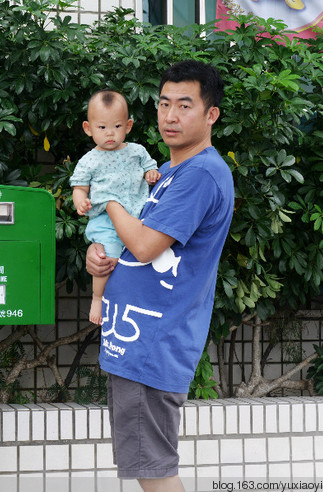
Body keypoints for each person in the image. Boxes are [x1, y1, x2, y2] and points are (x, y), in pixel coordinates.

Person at [86, 61, 234, 492]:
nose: (170, 116)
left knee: (155, 473)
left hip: (153, 346)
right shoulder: (168, 174)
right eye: (164, 104)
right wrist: (101, 260)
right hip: (135, 343)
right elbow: (134, 249)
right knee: (147, 468)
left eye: (184, 105)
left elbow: (147, 246)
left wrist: (108, 197)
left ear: (211, 115)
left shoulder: (201, 173)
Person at [70, 90, 161, 325]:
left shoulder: (138, 152)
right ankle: (98, 298)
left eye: (117, 126)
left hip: (138, 214)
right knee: (105, 256)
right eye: (102, 128)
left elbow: (152, 169)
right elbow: (79, 188)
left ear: (128, 126)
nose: (110, 133)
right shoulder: (89, 160)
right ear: (88, 128)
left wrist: (151, 174)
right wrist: (80, 201)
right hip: (106, 219)